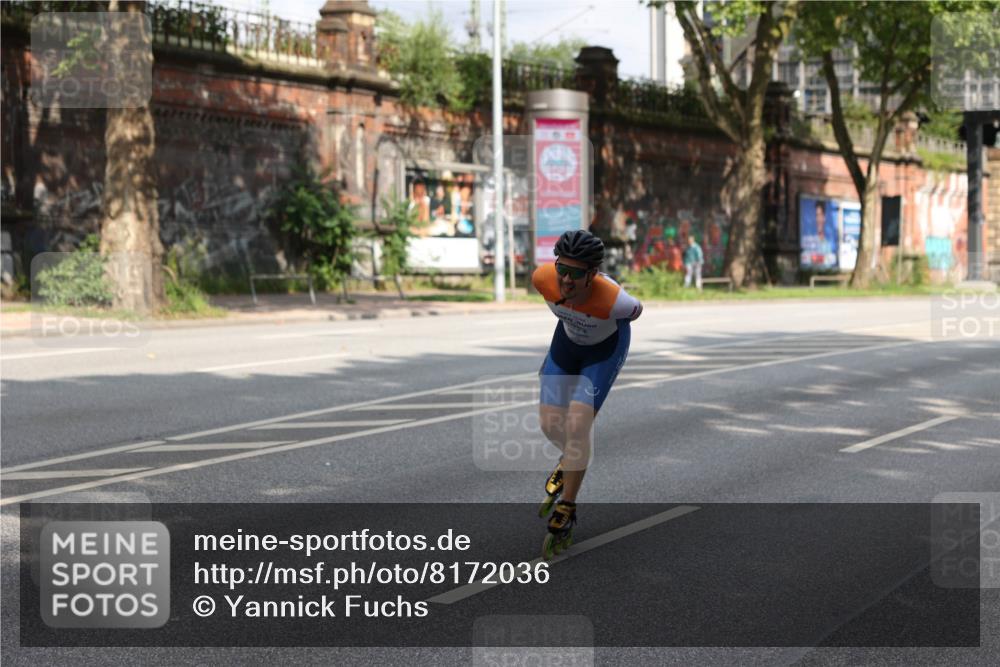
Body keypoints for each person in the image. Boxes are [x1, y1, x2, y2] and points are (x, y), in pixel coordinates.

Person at [531, 229, 643, 559]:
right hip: (566, 346)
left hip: (602, 353)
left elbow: (637, 313)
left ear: (592, 274)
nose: (566, 280)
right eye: (562, 269)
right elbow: (558, 289)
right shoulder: (543, 278)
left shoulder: (615, 300)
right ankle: (570, 460)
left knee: (578, 426)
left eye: (576, 273)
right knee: (550, 425)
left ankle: (567, 506)